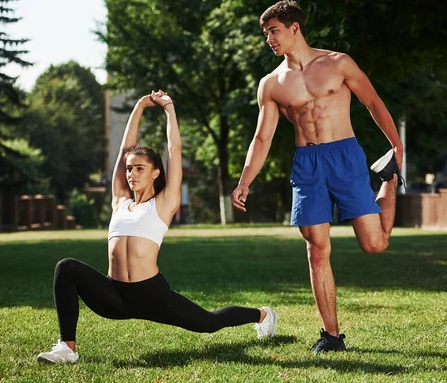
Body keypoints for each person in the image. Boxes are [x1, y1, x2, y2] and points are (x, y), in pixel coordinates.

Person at [37, 90, 277, 364]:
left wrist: (169, 109)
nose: (131, 174)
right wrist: (139, 106)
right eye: (129, 169)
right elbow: (125, 149)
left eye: (139, 169)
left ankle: (263, 315)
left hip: (151, 294)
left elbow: (174, 150)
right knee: (66, 266)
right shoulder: (120, 201)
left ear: (155, 173)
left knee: (208, 322)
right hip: (114, 296)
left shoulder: (163, 203)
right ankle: (67, 347)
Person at [231, 0, 403, 354]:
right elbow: (262, 138)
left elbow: (373, 103)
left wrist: (397, 148)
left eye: (274, 31)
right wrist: (245, 180)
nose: (269, 39)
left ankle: (389, 179)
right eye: (266, 34)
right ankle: (331, 335)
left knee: (375, 244)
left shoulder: (339, 63)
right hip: (307, 164)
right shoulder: (271, 84)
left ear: (295, 28)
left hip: (345, 156)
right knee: (315, 246)